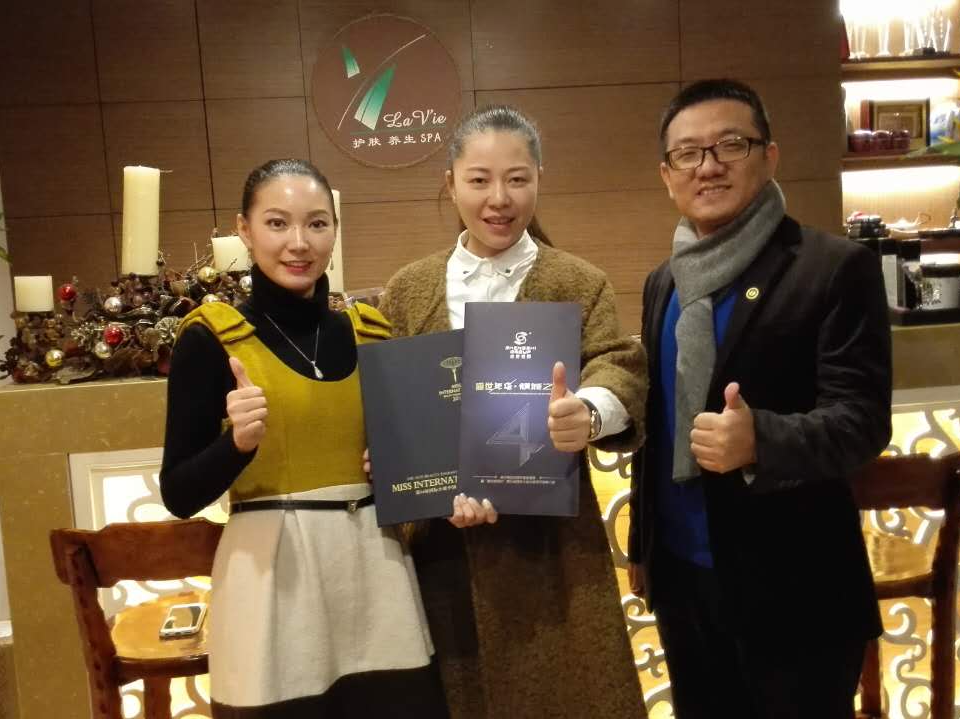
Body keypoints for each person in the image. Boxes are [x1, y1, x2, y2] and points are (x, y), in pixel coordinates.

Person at [627, 78, 892, 718]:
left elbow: (863, 422)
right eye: (688, 153)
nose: (708, 166)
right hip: (685, 584)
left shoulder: (832, 267)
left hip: (795, 591)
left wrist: (760, 441)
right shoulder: (664, 283)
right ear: (667, 175)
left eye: (731, 145)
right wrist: (645, 545)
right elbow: (660, 423)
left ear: (769, 156)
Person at [377, 105, 648, 719]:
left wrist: (589, 412)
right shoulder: (408, 289)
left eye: (517, 179)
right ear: (450, 183)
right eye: (479, 180)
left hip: (552, 548)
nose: (499, 199)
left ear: (539, 180)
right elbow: (390, 399)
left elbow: (619, 365)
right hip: (442, 547)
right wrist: (389, 454)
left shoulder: (577, 281)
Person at [159, 159, 447, 718]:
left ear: (335, 231)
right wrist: (236, 445)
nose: (299, 243)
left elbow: (413, 462)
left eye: (317, 223)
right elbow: (178, 493)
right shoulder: (210, 339)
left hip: (375, 571)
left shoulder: (372, 332)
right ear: (244, 230)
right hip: (271, 577)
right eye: (277, 223)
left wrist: (398, 465)